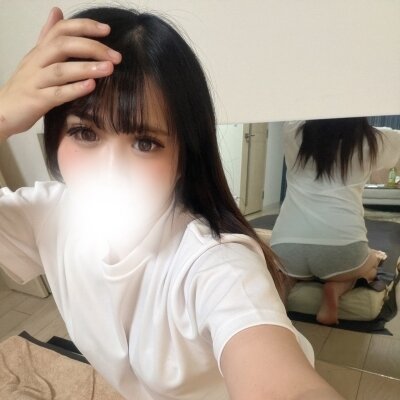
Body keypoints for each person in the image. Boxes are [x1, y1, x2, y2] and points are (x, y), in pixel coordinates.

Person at [0, 6, 344, 399]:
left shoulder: (215, 264)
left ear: (184, 157)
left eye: (145, 143)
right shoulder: (49, 216)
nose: (110, 171)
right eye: (85, 133)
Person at [271, 118, 400, 326]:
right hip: (342, 248)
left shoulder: (293, 131)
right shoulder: (373, 139)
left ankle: (279, 297)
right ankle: (335, 289)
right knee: (373, 262)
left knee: (286, 274)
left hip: (286, 245)